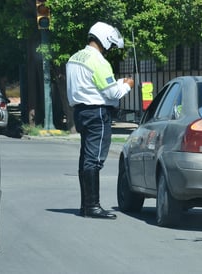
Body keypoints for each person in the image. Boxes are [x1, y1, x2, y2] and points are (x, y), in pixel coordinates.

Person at [66, 22, 134, 219]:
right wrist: (127, 85)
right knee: (94, 160)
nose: (110, 49)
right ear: (103, 39)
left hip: (80, 112)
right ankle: (92, 206)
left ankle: (85, 205)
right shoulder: (99, 61)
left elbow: (94, 86)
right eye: (111, 45)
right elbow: (112, 92)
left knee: (85, 159)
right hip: (97, 114)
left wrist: (116, 84)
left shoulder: (75, 58)